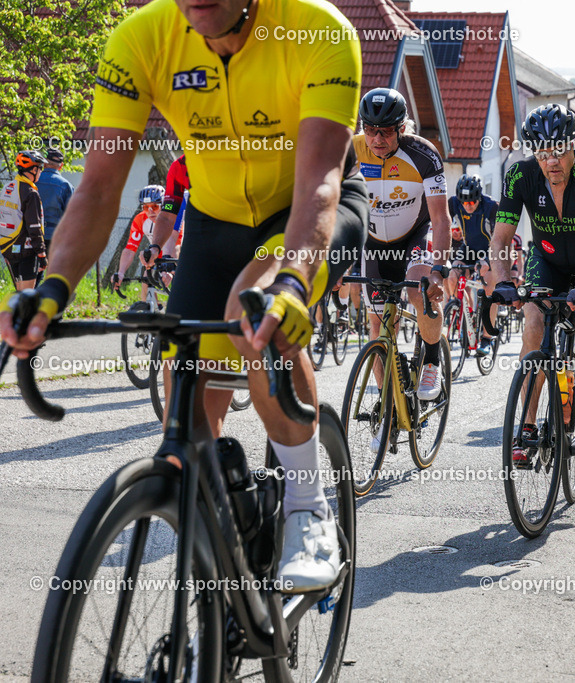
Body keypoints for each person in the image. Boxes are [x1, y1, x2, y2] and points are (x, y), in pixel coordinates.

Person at [0, 0, 366, 591]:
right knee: (184, 402)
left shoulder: (318, 29)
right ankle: (226, 580)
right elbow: (97, 189)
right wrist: (50, 290)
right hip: (215, 221)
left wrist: (294, 281)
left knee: (254, 311)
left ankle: (308, 507)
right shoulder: (141, 38)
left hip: (305, 213)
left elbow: (320, 180)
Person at [489, 103, 575, 458]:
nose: (551, 161)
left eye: (559, 151)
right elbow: (500, 240)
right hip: (547, 260)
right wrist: (503, 283)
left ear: (574, 146)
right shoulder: (520, 176)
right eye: (543, 152)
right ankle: (528, 426)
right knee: (533, 325)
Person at [353, 87, 450, 402]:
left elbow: (440, 217)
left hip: (414, 236)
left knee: (420, 292)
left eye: (386, 132)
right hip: (373, 243)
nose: (377, 138)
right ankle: (386, 403)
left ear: (402, 129)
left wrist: (438, 269)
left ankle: (432, 361)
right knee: (379, 324)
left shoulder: (424, 155)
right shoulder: (351, 152)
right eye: (370, 130)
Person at [448, 173, 498, 357]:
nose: (468, 206)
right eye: (464, 203)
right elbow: (440, 225)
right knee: (453, 276)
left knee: (489, 286)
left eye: (472, 202)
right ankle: (466, 315)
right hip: (468, 249)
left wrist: (487, 261)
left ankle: (486, 338)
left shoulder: (491, 207)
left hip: (490, 250)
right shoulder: (453, 203)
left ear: (479, 198)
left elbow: (498, 240)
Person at [112, 185, 174, 301]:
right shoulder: (140, 219)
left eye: (155, 206)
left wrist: (170, 270)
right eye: (145, 207)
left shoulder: (172, 218)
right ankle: (150, 308)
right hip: (157, 256)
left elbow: (177, 246)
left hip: (177, 255)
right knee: (146, 278)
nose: (150, 211)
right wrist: (120, 273)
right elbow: (130, 249)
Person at [0, 150, 47, 290]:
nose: (41, 172)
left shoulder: (8, 187)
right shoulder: (30, 193)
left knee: (20, 296)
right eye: (40, 168)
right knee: (26, 297)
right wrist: (41, 253)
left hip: (8, 248)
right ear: (33, 169)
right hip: (26, 250)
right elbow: (34, 226)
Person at [36, 148, 74, 254]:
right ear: (61, 166)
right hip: (55, 236)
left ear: (44, 163)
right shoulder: (66, 186)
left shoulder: (32, 180)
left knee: (32, 269)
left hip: (31, 234)